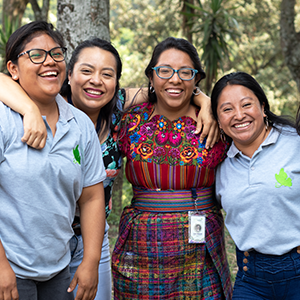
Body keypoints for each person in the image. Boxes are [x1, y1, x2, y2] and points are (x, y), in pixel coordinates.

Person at [0, 37, 218, 299]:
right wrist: (29, 109)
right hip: (35, 240)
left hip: (91, 240)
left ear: (116, 82)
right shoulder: (47, 97)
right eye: (86, 71)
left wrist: (204, 100)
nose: (96, 81)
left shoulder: (117, 108)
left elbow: (168, 86)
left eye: (107, 74)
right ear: (69, 75)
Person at [111, 37, 233, 299]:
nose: (175, 79)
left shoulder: (216, 125)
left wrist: (208, 105)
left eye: (185, 72)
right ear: (151, 77)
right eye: (164, 71)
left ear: (196, 78)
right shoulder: (128, 121)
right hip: (142, 246)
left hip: (200, 247)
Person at [0, 21, 107, 300]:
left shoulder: (80, 124)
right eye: (36, 55)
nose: (50, 62)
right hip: (10, 268)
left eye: (56, 53)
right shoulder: (4, 119)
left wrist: (90, 262)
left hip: (59, 269)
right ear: (13, 70)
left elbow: (92, 196)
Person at [211, 71, 300, 300]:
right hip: (251, 279)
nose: (239, 115)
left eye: (246, 104)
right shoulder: (219, 163)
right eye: (227, 109)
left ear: (262, 106)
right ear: (218, 119)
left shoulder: (294, 143)